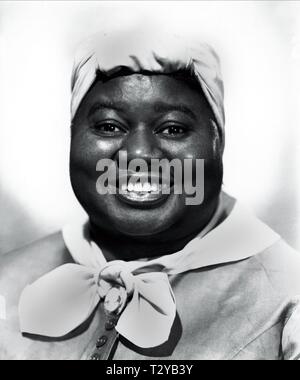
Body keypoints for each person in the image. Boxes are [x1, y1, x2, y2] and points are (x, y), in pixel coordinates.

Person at [0, 29, 300, 360]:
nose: (139, 155)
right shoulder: (6, 284)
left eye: (173, 129)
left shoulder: (288, 302)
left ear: (219, 142)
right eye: (109, 126)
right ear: (72, 137)